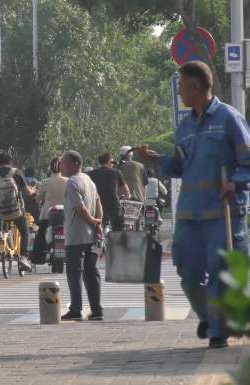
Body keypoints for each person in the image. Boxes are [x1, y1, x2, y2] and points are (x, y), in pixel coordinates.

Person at [137, 60, 250, 349]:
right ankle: (210, 317)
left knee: (219, 270)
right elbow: (179, 166)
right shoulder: (185, 126)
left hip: (222, 212)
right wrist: (155, 160)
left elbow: (247, 160)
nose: (180, 94)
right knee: (187, 272)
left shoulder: (228, 118)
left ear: (197, 86)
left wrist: (234, 182)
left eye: (182, 86)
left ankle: (217, 330)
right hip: (189, 213)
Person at [59, 150, 104, 321]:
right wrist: (98, 222)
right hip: (91, 236)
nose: (61, 166)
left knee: (74, 273)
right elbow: (99, 203)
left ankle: (76, 309)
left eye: (64, 163)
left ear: (75, 164)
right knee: (91, 273)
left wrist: (93, 221)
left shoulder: (72, 182)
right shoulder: (88, 180)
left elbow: (80, 208)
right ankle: (96, 310)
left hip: (76, 236)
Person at [0, 151, 36, 271]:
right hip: (16, 211)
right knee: (25, 231)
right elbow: (27, 192)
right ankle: (24, 257)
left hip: (0, 212)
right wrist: (34, 191)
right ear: (10, 162)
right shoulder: (17, 173)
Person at [31, 156, 67, 263]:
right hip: (65, 214)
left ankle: (38, 258)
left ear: (50, 168)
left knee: (41, 235)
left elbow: (38, 198)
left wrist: (39, 199)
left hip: (48, 214)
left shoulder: (46, 181)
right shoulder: (68, 181)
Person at [88, 152, 131, 232]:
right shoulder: (116, 172)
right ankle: (117, 242)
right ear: (109, 161)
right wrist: (126, 197)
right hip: (114, 206)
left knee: (96, 228)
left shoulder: (91, 173)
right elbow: (127, 192)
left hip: (97, 206)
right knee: (118, 230)